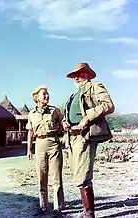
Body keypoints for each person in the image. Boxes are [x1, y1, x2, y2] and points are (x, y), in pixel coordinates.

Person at [62, 63, 115, 218]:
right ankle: (86, 210)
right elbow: (70, 114)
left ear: (88, 75)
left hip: (85, 135)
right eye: (74, 75)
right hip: (71, 137)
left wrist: (87, 117)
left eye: (80, 74)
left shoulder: (94, 87)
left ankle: (90, 214)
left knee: (83, 174)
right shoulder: (73, 95)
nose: (77, 77)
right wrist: (65, 121)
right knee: (78, 174)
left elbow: (108, 105)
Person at [26, 85, 65, 217]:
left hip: (54, 144)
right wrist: (29, 150)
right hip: (39, 145)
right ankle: (43, 207)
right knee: (41, 176)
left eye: (48, 94)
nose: (47, 96)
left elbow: (64, 123)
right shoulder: (31, 114)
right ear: (36, 97)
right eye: (44, 94)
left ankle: (57, 207)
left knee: (56, 177)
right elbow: (30, 132)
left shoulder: (55, 111)